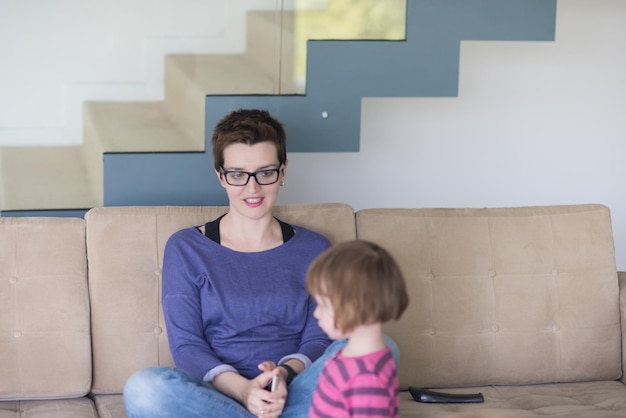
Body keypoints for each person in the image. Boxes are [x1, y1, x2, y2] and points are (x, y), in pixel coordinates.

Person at [123, 109, 337, 418]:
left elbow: (318, 337)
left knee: (378, 347)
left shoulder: (316, 248)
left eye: (266, 172)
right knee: (144, 388)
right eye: (238, 174)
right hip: (217, 397)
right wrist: (245, 391)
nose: (253, 189)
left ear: (284, 171)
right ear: (220, 175)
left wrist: (282, 377)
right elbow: (187, 346)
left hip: (294, 391)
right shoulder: (186, 248)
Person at [306, 240, 409, 418]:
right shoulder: (357, 357)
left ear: (353, 307)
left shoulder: (366, 378)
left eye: (323, 305)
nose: (316, 313)